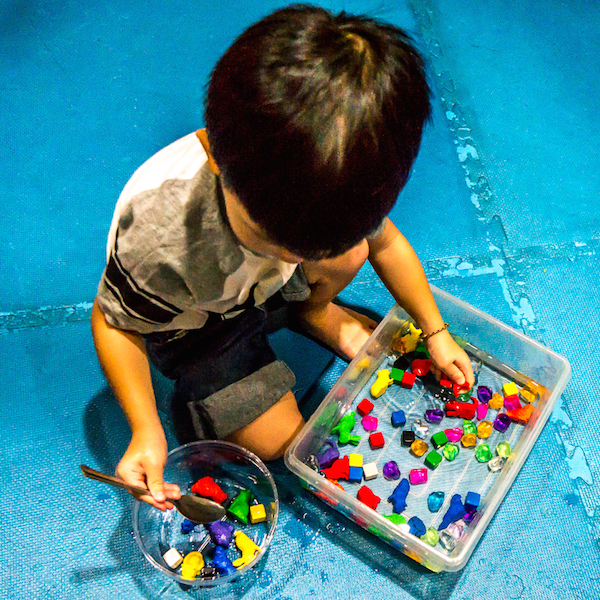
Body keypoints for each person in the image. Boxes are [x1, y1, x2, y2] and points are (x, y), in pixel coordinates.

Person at [91, 4, 474, 512]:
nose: (295, 256)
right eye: (270, 238)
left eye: (312, 247)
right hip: (197, 325)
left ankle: (310, 312)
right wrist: (146, 429)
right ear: (213, 155)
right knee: (275, 440)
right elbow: (113, 322)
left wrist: (434, 329)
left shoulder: (336, 184)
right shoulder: (163, 245)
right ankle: (211, 389)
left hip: (255, 288)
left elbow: (384, 243)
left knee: (354, 247)